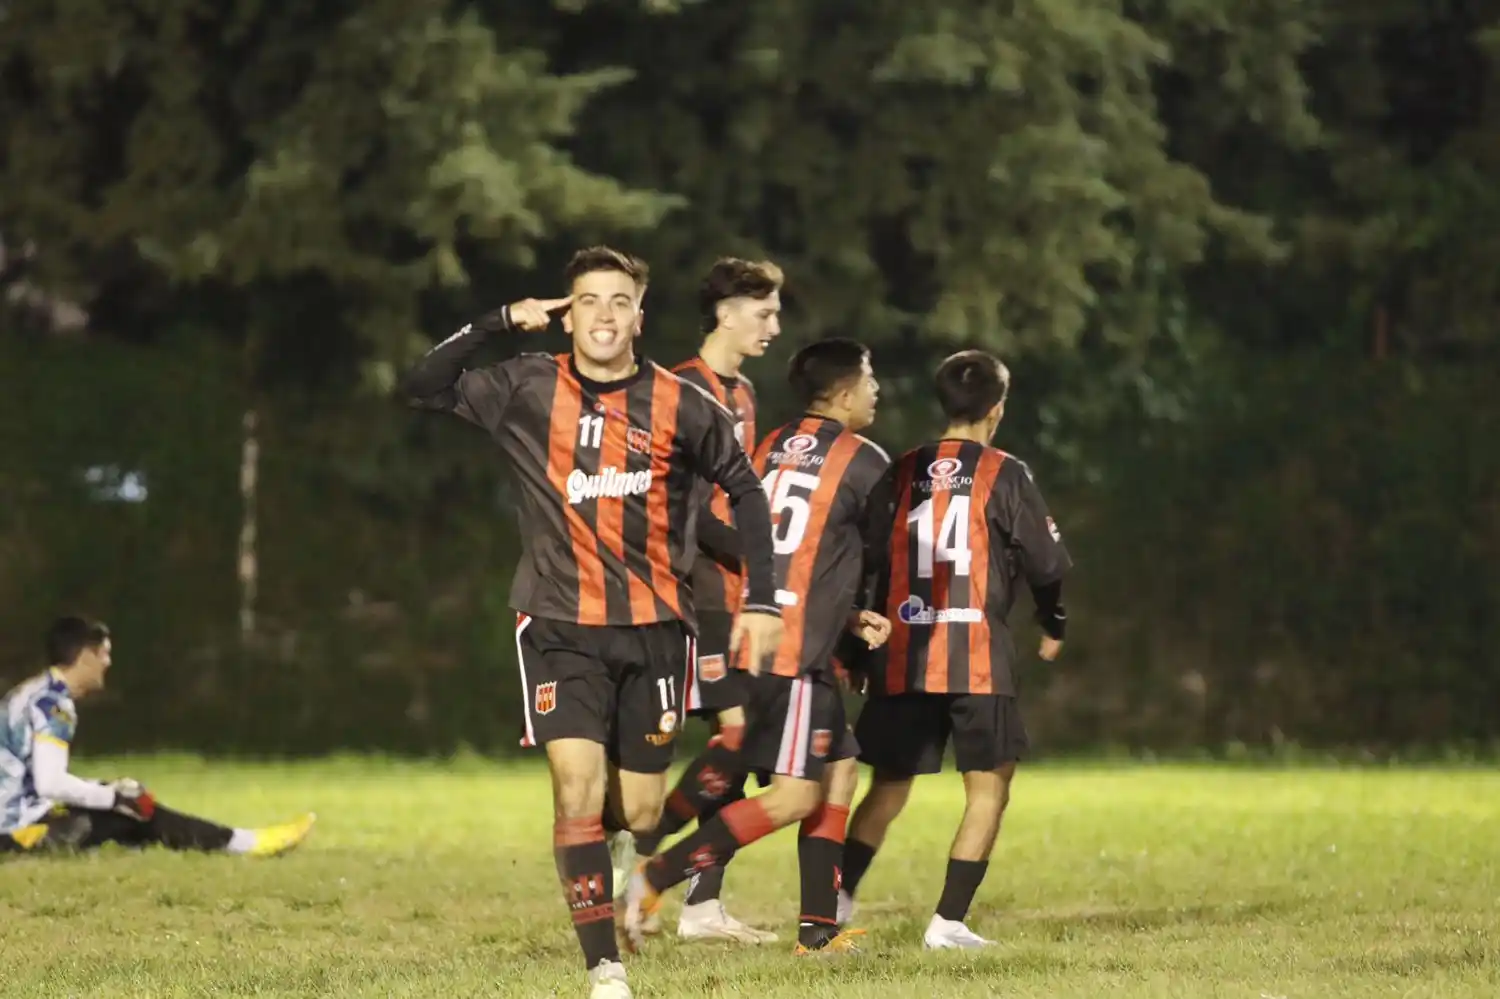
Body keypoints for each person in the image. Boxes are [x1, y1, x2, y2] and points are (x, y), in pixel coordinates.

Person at [397, 246, 783, 999]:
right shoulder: (526, 384)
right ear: (567, 312)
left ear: (640, 315)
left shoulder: (684, 403)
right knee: (575, 787)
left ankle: (620, 851)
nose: (604, 315)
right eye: (589, 301)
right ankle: (604, 967)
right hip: (555, 621)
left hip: (656, 627)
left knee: (639, 808)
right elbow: (421, 384)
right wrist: (498, 321)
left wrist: (763, 598)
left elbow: (748, 494)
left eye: (618, 301)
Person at [623, 338, 891, 956]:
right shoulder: (863, 459)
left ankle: (818, 929)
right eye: (870, 381)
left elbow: (779, 545)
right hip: (795, 650)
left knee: (839, 768)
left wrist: (845, 616)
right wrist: (857, 617)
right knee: (795, 795)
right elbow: (871, 551)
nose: (876, 393)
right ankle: (654, 872)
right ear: (846, 394)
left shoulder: (768, 445)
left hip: (759, 626)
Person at [838, 349, 1072, 949]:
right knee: (989, 787)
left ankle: (833, 904)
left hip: (901, 652)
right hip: (976, 657)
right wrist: (1054, 622)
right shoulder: (1005, 471)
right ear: (997, 408)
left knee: (887, 787)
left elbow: (865, 561)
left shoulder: (901, 469)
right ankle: (947, 922)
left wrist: (856, 646)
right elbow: (1046, 564)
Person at [614, 257, 784, 945]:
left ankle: (690, 896)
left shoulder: (740, 391)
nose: (775, 325)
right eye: (764, 311)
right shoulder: (681, 388)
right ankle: (642, 857)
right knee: (735, 739)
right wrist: (761, 555)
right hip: (691, 591)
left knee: (734, 739)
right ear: (725, 313)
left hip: (729, 592)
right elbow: (677, 508)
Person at [1, 616, 315, 857]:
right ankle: (248, 844)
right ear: (85, 656)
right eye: (104, 654)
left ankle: (236, 840)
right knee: (141, 815)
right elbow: (50, 784)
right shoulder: (55, 705)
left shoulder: (29, 691)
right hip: (16, 833)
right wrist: (115, 798)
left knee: (125, 809)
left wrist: (105, 790)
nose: (108, 663)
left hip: (14, 820)